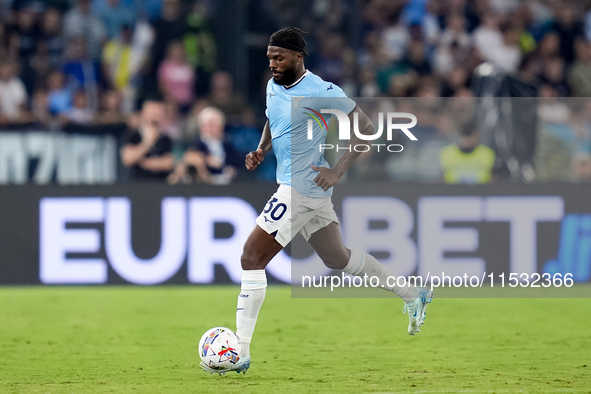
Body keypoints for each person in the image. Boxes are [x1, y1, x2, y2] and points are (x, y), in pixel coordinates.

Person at [200, 27, 433, 375]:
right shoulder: (272, 86)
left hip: (300, 188)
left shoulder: (323, 91)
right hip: (307, 191)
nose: (273, 64)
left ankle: (242, 352)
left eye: (279, 58)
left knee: (251, 258)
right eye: (269, 58)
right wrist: (262, 149)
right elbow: (271, 119)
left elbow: (366, 128)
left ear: (298, 57)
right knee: (337, 258)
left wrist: (338, 171)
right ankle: (411, 293)